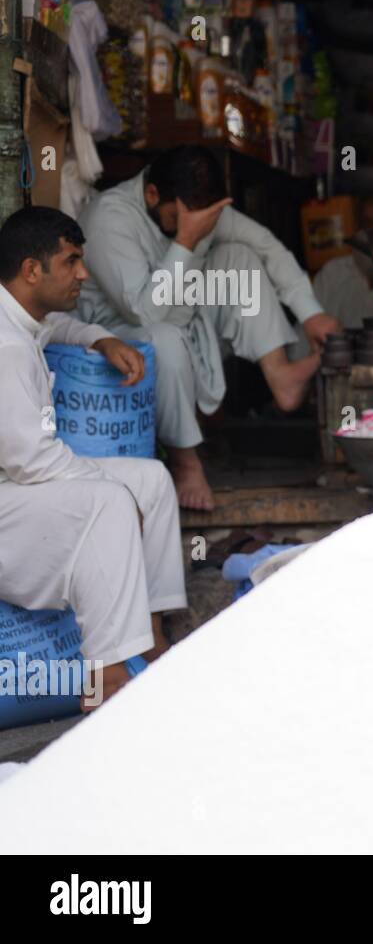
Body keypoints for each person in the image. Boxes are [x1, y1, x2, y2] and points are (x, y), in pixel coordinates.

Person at [75, 145, 343, 511]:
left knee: (240, 257)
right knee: (165, 338)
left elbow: (266, 245)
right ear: (152, 195)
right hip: (121, 334)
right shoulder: (110, 218)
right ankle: (186, 461)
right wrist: (187, 241)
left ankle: (281, 375)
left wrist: (311, 314)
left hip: (179, 317)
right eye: (180, 218)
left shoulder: (198, 207)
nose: (198, 227)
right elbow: (145, 313)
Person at [0, 207, 186, 708]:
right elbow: (32, 464)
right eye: (72, 262)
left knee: (149, 480)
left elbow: (56, 327)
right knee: (109, 502)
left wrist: (100, 337)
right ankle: (107, 680)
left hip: (16, 485)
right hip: (9, 499)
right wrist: (119, 499)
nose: (83, 273)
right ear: (32, 270)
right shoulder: (5, 344)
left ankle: (151, 636)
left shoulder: (18, 315)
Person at [309, 196, 373, 330]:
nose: (372, 229)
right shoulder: (332, 274)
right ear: (357, 227)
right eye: (366, 222)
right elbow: (311, 329)